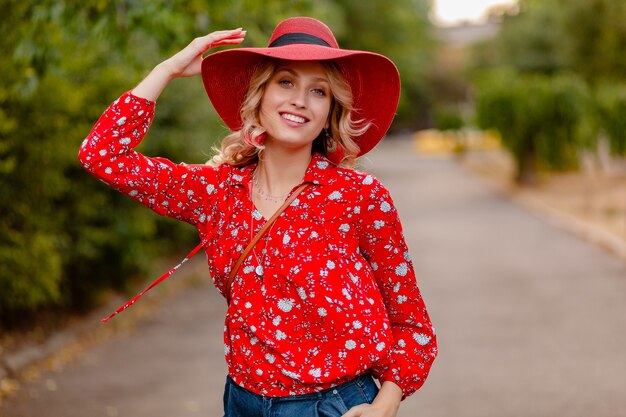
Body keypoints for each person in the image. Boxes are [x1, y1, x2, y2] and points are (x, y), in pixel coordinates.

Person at [79, 16, 437, 417]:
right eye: (285, 82)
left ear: (330, 111)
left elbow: (412, 324)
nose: (300, 99)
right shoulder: (216, 193)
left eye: (318, 91)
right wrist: (167, 70)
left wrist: (384, 405)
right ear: (259, 96)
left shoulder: (360, 198)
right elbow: (103, 155)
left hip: (334, 406)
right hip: (242, 402)